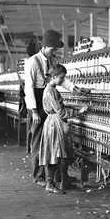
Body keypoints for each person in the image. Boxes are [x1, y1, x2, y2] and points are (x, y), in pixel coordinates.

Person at [24, 30, 90, 188]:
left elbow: (60, 78)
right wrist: (34, 111)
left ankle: (59, 177)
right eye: (52, 49)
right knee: (39, 140)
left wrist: (74, 88)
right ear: (45, 46)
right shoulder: (32, 62)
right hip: (38, 102)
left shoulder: (52, 60)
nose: (54, 52)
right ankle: (39, 176)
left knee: (52, 140)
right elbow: (29, 87)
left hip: (48, 100)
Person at [39, 65, 88, 193]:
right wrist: (79, 111)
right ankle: (50, 184)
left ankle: (63, 183)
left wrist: (72, 107)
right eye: (61, 77)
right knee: (55, 154)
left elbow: (60, 108)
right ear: (54, 77)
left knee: (60, 154)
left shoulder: (52, 90)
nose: (62, 80)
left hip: (55, 122)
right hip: (55, 124)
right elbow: (61, 112)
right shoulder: (50, 91)